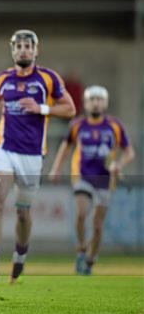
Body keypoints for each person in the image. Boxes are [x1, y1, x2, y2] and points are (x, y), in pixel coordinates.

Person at [0, 29, 76, 284]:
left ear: (36, 50)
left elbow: (70, 109)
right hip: (3, 148)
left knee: (23, 212)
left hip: (32, 155)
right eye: (18, 46)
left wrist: (41, 108)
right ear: (13, 50)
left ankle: (20, 256)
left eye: (28, 46)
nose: (23, 50)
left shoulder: (47, 78)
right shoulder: (1, 80)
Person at [48, 85, 134, 275]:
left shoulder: (114, 126)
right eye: (92, 99)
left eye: (99, 99)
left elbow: (129, 152)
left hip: (105, 180)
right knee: (81, 213)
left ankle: (90, 259)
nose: (96, 103)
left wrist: (119, 164)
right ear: (86, 103)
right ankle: (80, 250)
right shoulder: (77, 125)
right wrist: (56, 168)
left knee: (97, 225)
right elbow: (65, 148)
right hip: (82, 175)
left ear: (105, 103)